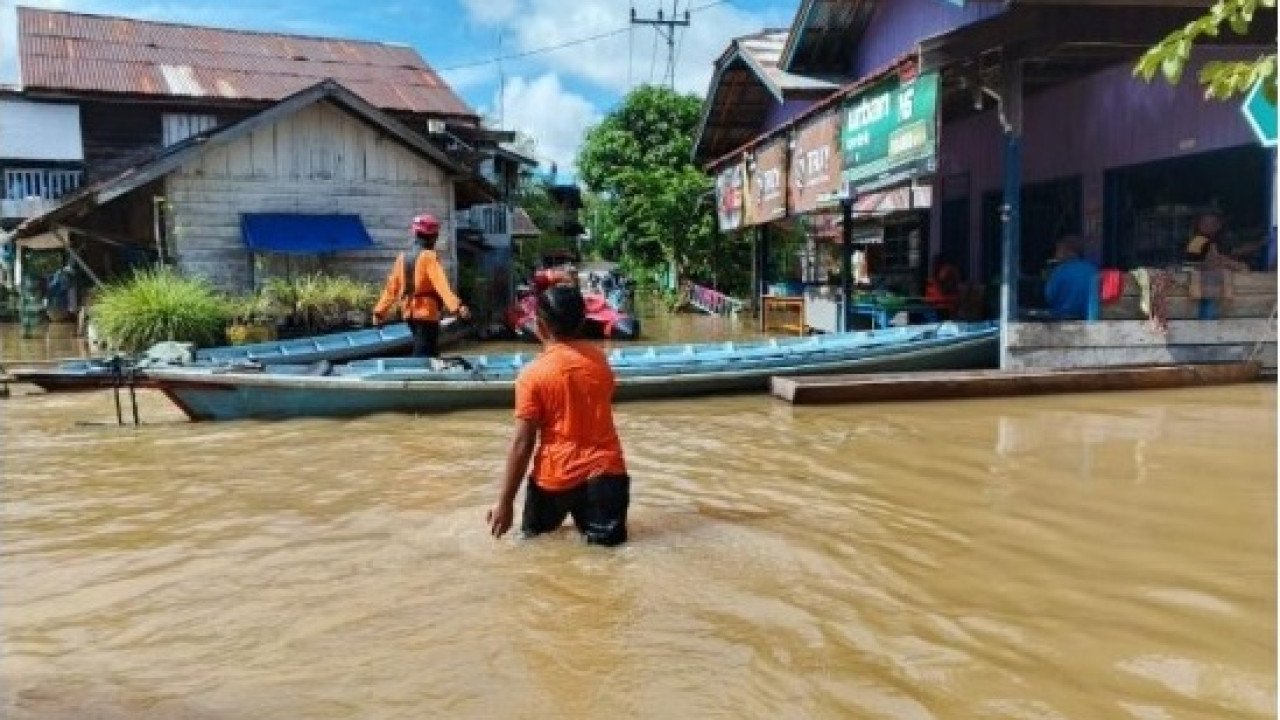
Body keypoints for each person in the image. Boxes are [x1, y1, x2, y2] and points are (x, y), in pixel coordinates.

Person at [486, 284, 630, 547]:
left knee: (531, 549)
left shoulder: (532, 376)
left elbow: (522, 444)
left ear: (540, 327)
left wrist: (504, 503)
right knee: (609, 558)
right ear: (583, 322)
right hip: (606, 475)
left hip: (554, 478)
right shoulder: (600, 361)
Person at [373, 214, 470, 358]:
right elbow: (441, 285)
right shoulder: (429, 257)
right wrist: (457, 307)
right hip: (426, 313)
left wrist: (379, 313)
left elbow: (391, 288)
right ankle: (418, 370)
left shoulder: (402, 257)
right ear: (434, 237)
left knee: (429, 351)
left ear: (415, 233)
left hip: (409, 313)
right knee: (424, 353)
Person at [1044, 235, 1098, 320]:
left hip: (1062, 320)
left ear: (1068, 251)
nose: (1056, 254)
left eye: (1058, 250)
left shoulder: (1060, 271)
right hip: (1090, 321)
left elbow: (1049, 296)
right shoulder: (1093, 270)